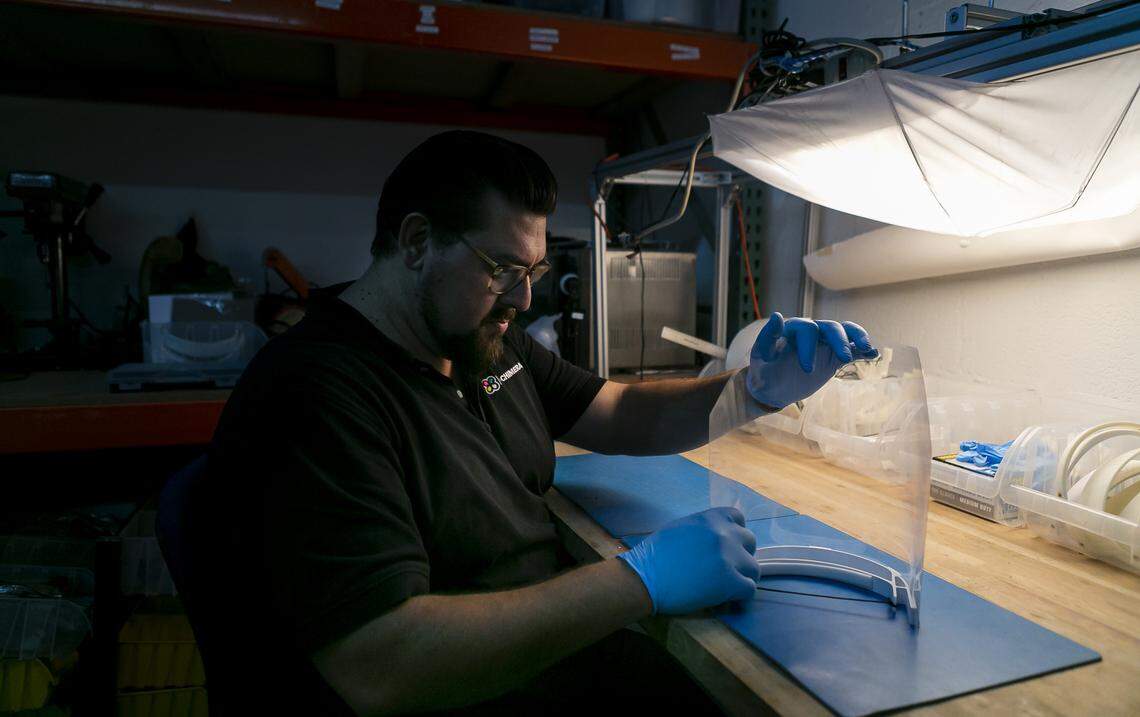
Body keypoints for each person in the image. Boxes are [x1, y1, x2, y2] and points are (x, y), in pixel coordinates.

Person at [189, 130, 876, 716]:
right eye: (502, 270)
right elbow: (381, 662)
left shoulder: (479, 339)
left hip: (534, 664)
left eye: (535, 271)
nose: (523, 296)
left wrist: (749, 391)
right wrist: (640, 579)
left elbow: (617, 409)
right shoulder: (315, 392)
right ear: (418, 241)